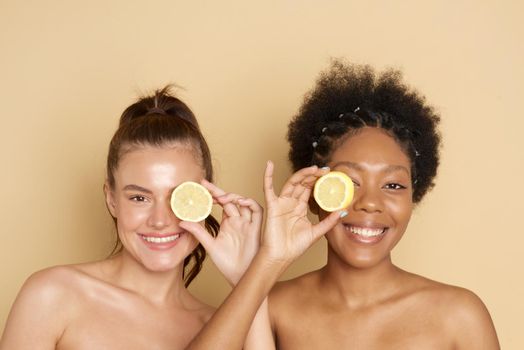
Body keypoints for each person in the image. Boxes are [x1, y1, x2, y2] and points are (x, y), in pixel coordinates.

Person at [0, 86, 266, 349]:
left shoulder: (219, 326)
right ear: (111, 199)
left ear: (204, 200)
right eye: (140, 198)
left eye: (178, 197)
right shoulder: (53, 295)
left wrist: (249, 276)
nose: (160, 220)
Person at [264, 60, 500, 349]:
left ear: (414, 196)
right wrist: (267, 261)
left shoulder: (460, 316)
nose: (370, 204)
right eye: (349, 182)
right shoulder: (273, 309)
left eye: (393, 185)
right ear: (313, 194)